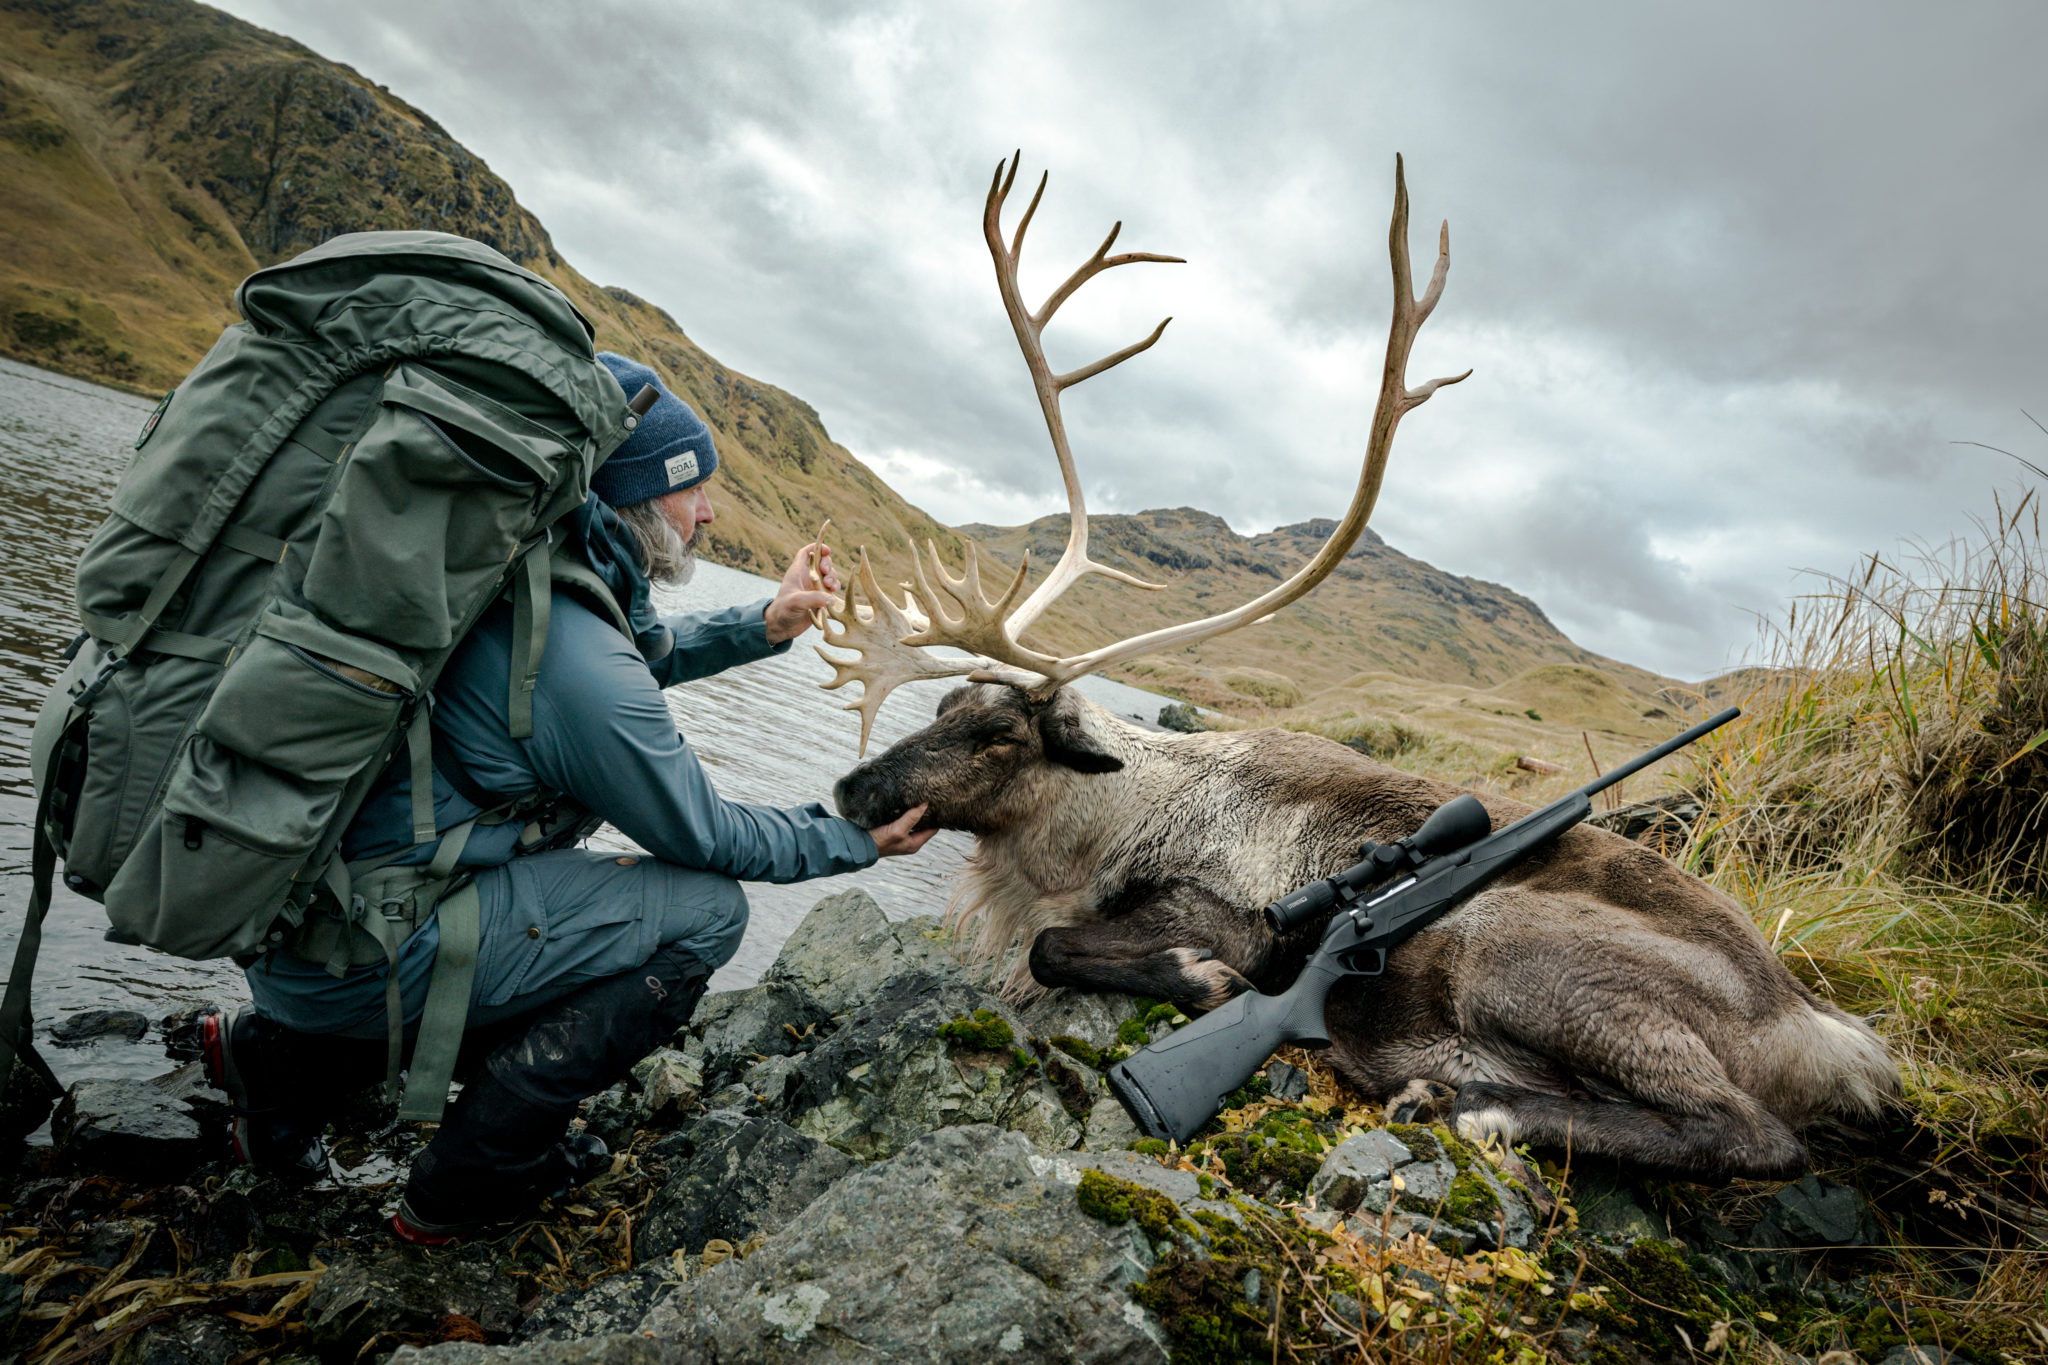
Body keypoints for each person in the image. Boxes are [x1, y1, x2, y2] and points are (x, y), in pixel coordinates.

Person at [197, 353, 933, 1241]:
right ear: (634, 497)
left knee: (568, 877)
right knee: (703, 911)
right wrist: (853, 836)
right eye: (689, 490)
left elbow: (631, 657)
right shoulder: (577, 661)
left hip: (303, 928)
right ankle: (467, 1183)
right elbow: (707, 832)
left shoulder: (518, 568)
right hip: (365, 957)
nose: (707, 513)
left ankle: (275, 1065)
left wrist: (761, 624)